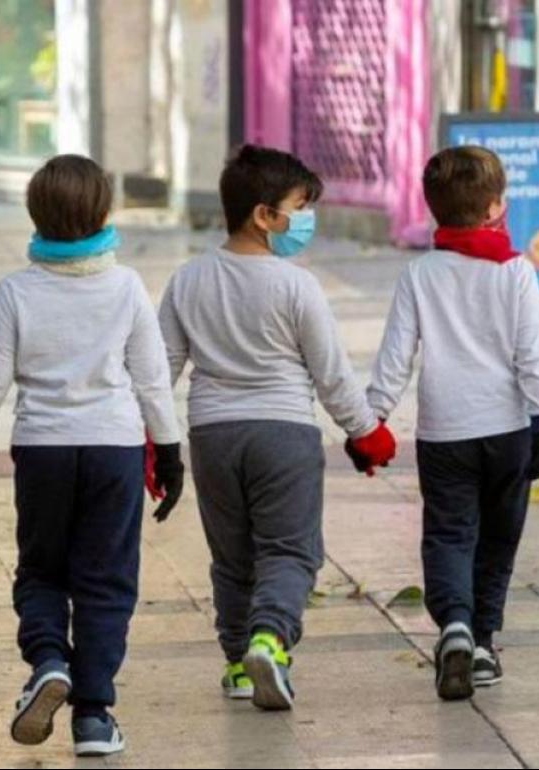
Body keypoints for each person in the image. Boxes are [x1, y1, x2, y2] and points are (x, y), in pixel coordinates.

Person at [0, 154, 183, 758]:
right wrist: (170, 454)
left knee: (43, 568)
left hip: (43, 451)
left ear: (35, 215)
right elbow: (152, 380)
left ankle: (49, 660)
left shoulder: (17, 291)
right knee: (106, 580)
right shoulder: (125, 287)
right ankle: (94, 715)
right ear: (103, 212)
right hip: (115, 450)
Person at [158, 144, 397, 711]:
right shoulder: (296, 286)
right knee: (290, 552)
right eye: (300, 206)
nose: (306, 220)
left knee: (232, 557)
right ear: (264, 215)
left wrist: (147, 434)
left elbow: (158, 369)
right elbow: (332, 375)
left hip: (213, 436)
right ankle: (270, 638)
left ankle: (240, 662)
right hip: (284, 435)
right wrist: (366, 434)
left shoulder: (188, 279)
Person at [366, 145, 539, 701]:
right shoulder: (516, 271)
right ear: (496, 206)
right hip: (509, 430)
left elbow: (395, 359)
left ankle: (453, 625)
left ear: (432, 211)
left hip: (444, 431)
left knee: (449, 534)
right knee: (498, 539)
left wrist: (371, 420)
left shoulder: (419, 274)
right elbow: (532, 354)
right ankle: (483, 644)